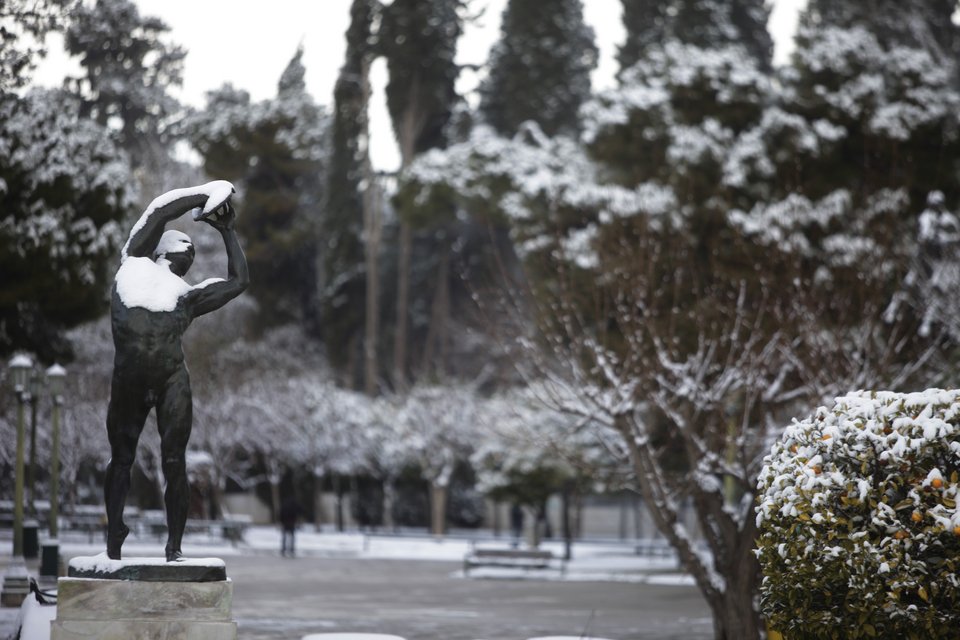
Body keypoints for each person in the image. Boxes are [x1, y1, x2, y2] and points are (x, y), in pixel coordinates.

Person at [104, 181, 249, 561]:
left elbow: (239, 282)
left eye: (194, 249)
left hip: (171, 380)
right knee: (121, 458)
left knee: (174, 462)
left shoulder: (186, 296)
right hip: (129, 378)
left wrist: (228, 231)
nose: (191, 251)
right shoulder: (133, 262)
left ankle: (175, 547)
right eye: (186, 245)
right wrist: (205, 194)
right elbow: (160, 210)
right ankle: (114, 539)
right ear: (163, 249)